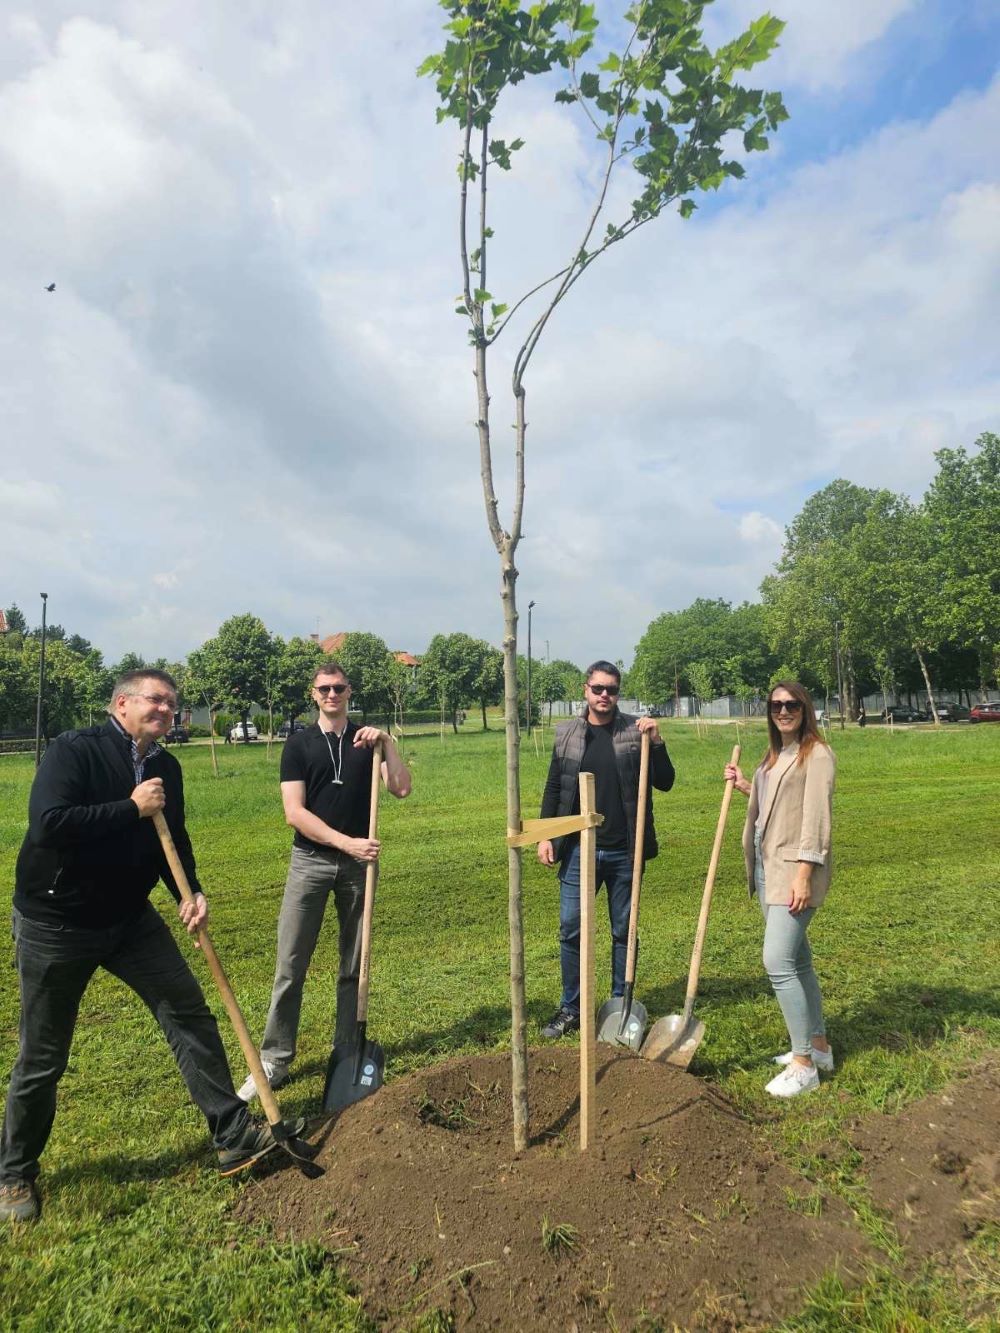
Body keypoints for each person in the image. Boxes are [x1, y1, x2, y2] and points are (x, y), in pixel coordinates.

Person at [0, 671, 277, 1225]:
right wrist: (130, 807)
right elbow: (48, 825)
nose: (167, 710)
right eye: (156, 700)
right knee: (44, 1055)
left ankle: (231, 1132)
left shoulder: (164, 767)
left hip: (129, 919)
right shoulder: (74, 751)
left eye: (173, 704)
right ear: (121, 703)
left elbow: (171, 840)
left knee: (188, 1013)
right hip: (57, 924)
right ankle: (13, 1173)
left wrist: (188, 891)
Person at [238, 660, 412, 1100]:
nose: (332, 695)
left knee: (355, 963)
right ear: (313, 694)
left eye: (339, 688)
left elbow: (402, 788)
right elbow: (294, 812)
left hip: (358, 869)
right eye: (324, 689)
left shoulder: (366, 742)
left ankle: (346, 1049)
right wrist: (346, 842)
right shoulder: (298, 745)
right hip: (311, 863)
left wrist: (387, 742)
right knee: (290, 963)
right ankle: (275, 1058)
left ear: (349, 691)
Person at [536, 660, 675, 1039]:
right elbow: (554, 788)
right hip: (579, 850)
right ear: (585, 689)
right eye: (597, 688)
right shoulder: (567, 733)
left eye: (611, 690)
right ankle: (572, 1006)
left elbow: (665, 782)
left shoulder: (636, 731)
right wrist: (546, 835)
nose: (604, 696)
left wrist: (658, 742)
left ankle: (619, 1006)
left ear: (618, 692)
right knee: (570, 930)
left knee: (623, 931)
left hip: (624, 852)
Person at [724, 680, 836, 1098]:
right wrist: (747, 787)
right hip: (767, 871)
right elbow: (777, 804)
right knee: (799, 961)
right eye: (775, 705)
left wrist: (804, 874)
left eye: (791, 704)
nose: (783, 710)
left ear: (805, 708)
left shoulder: (817, 755)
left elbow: (816, 820)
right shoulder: (776, 756)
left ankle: (803, 1063)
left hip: (793, 874)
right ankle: (820, 1046)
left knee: (777, 961)